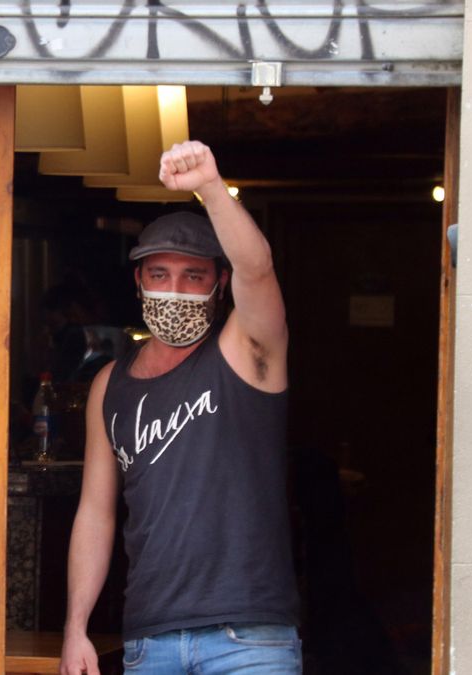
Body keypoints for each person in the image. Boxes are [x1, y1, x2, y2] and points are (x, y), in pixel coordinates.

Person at [59, 141, 299, 675]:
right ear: (139, 281)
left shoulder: (245, 351)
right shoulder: (109, 384)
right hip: (152, 638)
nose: (175, 289)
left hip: (248, 636)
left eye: (194, 276)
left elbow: (258, 269)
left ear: (219, 283)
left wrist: (211, 187)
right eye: (160, 275)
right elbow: (96, 513)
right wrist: (77, 626)